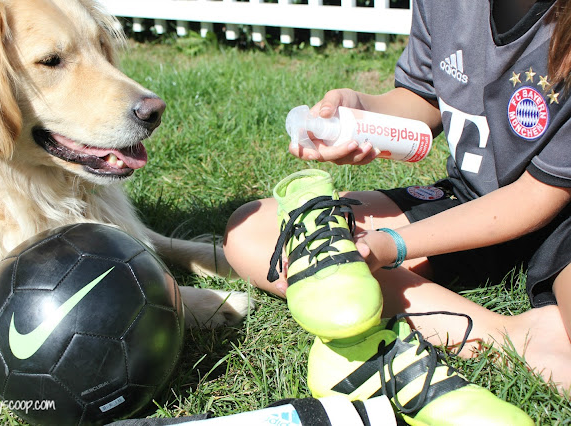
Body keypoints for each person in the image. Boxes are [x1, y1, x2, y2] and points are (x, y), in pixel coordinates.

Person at [223, 0, 571, 393]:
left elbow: (536, 197)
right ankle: (511, 336)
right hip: (467, 201)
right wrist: (364, 112)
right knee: (254, 231)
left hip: (562, 224)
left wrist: (391, 245)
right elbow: (423, 98)